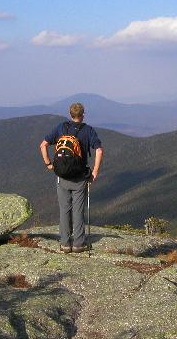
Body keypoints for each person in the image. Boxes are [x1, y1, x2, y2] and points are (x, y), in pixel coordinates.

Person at [39, 103, 103, 253]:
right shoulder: (88, 130)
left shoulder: (62, 127)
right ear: (83, 115)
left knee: (64, 210)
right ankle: (79, 244)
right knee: (78, 211)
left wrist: (49, 164)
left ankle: (65, 243)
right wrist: (95, 171)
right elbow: (99, 151)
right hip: (80, 177)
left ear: (70, 114)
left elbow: (43, 145)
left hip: (62, 177)